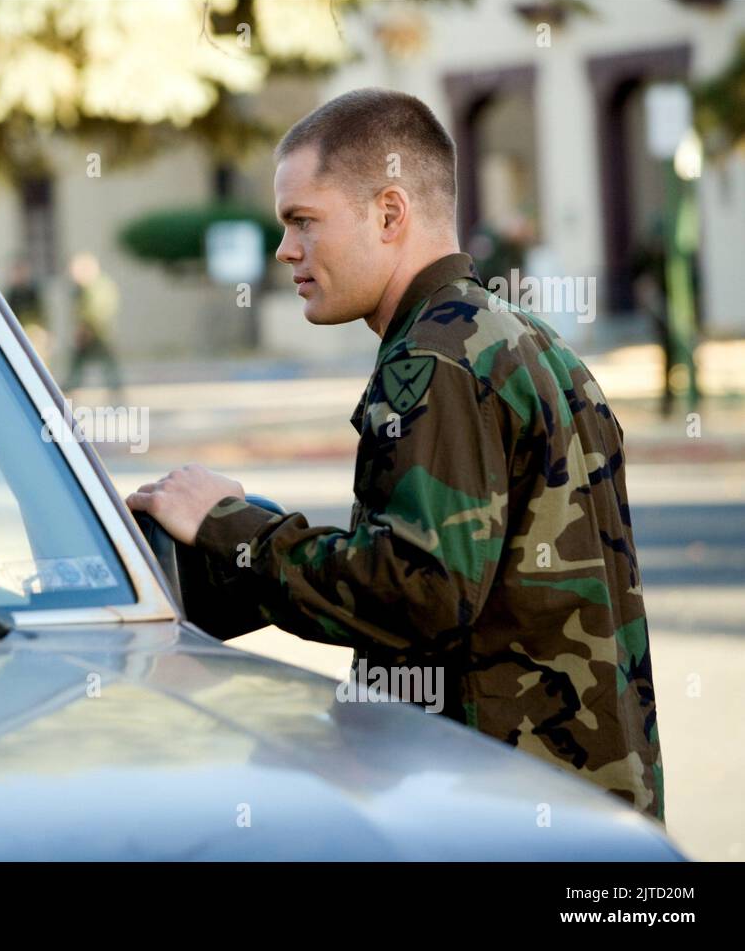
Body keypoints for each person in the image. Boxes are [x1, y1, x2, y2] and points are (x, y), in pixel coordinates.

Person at [126, 88, 665, 823]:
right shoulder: (526, 339)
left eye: (302, 221)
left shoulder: (434, 361)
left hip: (494, 812)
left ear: (389, 213)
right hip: (588, 810)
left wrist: (230, 527)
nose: (285, 249)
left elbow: (417, 597)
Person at [63, 251, 123, 395]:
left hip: (99, 331)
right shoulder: (82, 288)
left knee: (107, 360)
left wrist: (86, 329)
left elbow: (98, 310)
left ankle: (115, 386)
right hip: (91, 330)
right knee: (79, 360)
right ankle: (72, 385)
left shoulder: (99, 286)